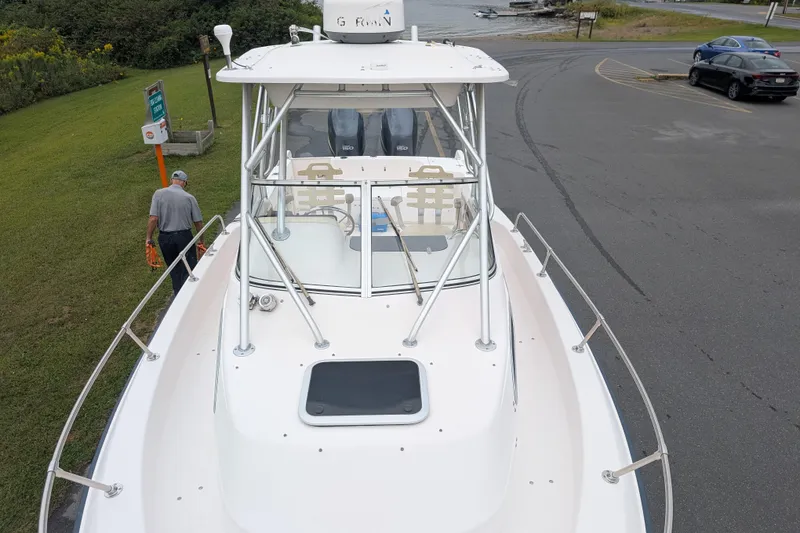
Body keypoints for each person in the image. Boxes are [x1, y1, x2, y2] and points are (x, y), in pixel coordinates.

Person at [146, 170, 205, 295]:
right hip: (184, 237)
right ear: (184, 183)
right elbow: (198, 222)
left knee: (174, 267)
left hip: (165, 238)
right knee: (189, 266)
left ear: (171, 180)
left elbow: (153, 219)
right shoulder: (189, 198)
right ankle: (191, 293)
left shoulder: (158, 194)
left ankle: (178, 293)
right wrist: (201, 241)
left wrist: (148, 238)